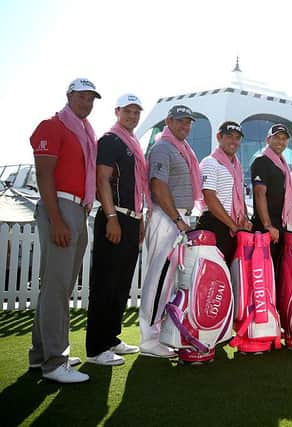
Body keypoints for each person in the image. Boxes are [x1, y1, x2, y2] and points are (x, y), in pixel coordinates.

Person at [28, 78, 101, 383]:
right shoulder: (53, 125)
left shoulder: (84, 132)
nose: (87, 103)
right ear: (69, 96)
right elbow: (44, 175)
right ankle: (54, 363)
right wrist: (57, 219)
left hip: (78, 209)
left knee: (58, 288)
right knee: (57, 288)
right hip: (59, 207)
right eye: (82, 97)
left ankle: (40, 355)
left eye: (91, 99)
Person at [85, 94, 148, 366]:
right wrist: (111, 217)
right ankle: (96, 348)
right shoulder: (110, 140)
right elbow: (102, 180)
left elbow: (136, 188)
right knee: (105, 284)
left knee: (121, 283)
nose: (133, 116)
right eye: (128, 111)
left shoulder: (132, 143)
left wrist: (140, 218)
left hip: (131, 218)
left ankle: (111, 338)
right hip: (115, 217)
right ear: (117, 111)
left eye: (136, 112)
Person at [139, 104, 202, 357]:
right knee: (159, 279)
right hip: (168, 219)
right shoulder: (163, 147)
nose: (184, 126)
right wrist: (177, 219)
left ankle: (160, 333)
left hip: (177, 219)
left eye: (188, 122)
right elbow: (157, 185)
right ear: (168, 121)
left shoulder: (183, 149)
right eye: (180, 121)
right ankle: (149, 340)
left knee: (169, 281)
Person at [197, 121, 252, 263]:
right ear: (219, 137)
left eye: (237, 138)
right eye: (229, 136)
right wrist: (233, 226)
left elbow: (240, 197)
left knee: (231, 275)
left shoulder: (237, 166)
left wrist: (245, 218)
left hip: (232, 227)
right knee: (214, 274)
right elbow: (210, 198)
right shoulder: (211, 162)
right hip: (215, 224)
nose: (234, 141)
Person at [251, 123, 292, 269]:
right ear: (268, 140)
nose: (280, 142)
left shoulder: (282, 164)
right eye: (276, 138)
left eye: (284, 138)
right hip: (267, 227)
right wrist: (268, 225)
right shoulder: (261, 161)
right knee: (267, 271)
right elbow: (259, 194)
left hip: (279, 224)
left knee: (277, 269)